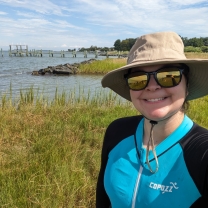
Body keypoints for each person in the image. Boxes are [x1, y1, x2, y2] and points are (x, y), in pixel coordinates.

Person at [96, 31, 208, 208]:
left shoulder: (201, 151)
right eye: (138, 79)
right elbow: (103, 202)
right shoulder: (116, 131)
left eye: (169, 76)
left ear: (187, 85)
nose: (152, 86)